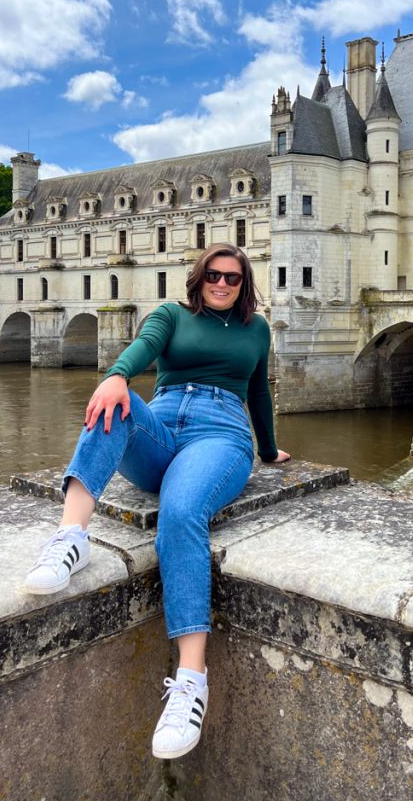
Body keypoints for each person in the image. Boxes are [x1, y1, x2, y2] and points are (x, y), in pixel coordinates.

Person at [23, 243, 290, 760]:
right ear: (198, 277)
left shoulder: (257, 329)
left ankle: (191, 678)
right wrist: (117, 376)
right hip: (163, 423)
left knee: (182, 511)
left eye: (232, 278)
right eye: (213, 274)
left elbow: (258, 393)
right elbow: (143, 347)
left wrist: (269, 447)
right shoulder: (170, 314)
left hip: (220, 432)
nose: (221, 284)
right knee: (114, 405)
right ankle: (71, 538)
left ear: (244, 284)